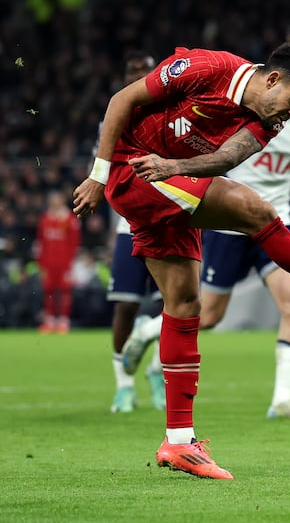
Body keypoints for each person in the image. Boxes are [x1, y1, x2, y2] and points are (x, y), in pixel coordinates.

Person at [72, 42, 290, 480]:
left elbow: (227, 158)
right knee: (256, 211)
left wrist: (174, 165)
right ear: (273, 79)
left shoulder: (268, 121)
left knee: (185, 304)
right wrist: (98, 174)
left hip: (166, 177)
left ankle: (179, 442)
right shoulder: (207, 68)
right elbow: (122, 100)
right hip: (133, 169)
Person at [121, 97, 290, 421]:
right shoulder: (250, 103)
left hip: (276, 221)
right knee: (207, 316)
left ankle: (282, 400)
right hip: (228, 221)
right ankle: (147, 332)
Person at [107, 52, 166, 414]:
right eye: (131, 70)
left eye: (143, 71)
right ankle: (123, 386)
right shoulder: (114, 116)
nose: (137, 75)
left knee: (171, 306)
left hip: (168, 221)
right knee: (126, 305)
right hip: (126, 224)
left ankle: (157, 372)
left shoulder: (171, 113)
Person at [35, 191, 81, 333]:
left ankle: (63, 321)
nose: (55, 203)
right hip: (48, 262)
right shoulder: (45, 219)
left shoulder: (70, 220)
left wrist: (71, 262)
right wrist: (40, 262)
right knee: (48, 290)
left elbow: (75, 243)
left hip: (64, 263)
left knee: (64, 291)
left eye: (57, 200)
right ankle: (50, 320)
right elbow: (41, 242)